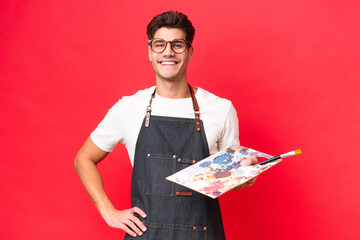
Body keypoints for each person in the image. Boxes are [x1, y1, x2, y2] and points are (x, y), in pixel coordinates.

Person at [74, 10, 257, 239]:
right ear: (150, 52)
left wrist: (244, 178)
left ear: (190, 52)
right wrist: (107, 211)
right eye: (159, 44)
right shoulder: (129, 108)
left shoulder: (221, 109)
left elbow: (232, 178)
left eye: (177, 44)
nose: (168, 52)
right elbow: (84, 158)